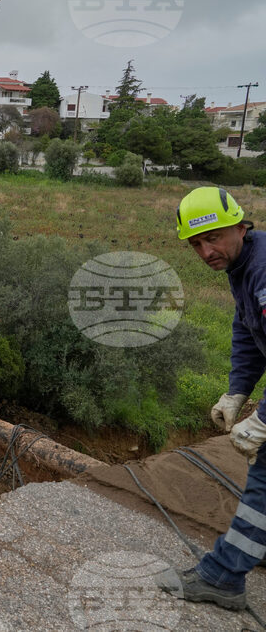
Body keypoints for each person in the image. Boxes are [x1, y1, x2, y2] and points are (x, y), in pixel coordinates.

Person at [162, 186, 266, 611]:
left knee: (263, 482)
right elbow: (247, 330)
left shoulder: (264, 270)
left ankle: (224, 576)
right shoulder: (244, 266)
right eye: (197, 244)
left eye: (214, 237)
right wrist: (237, 391)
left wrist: (263, 420)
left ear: (240, 225)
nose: (206, 252)